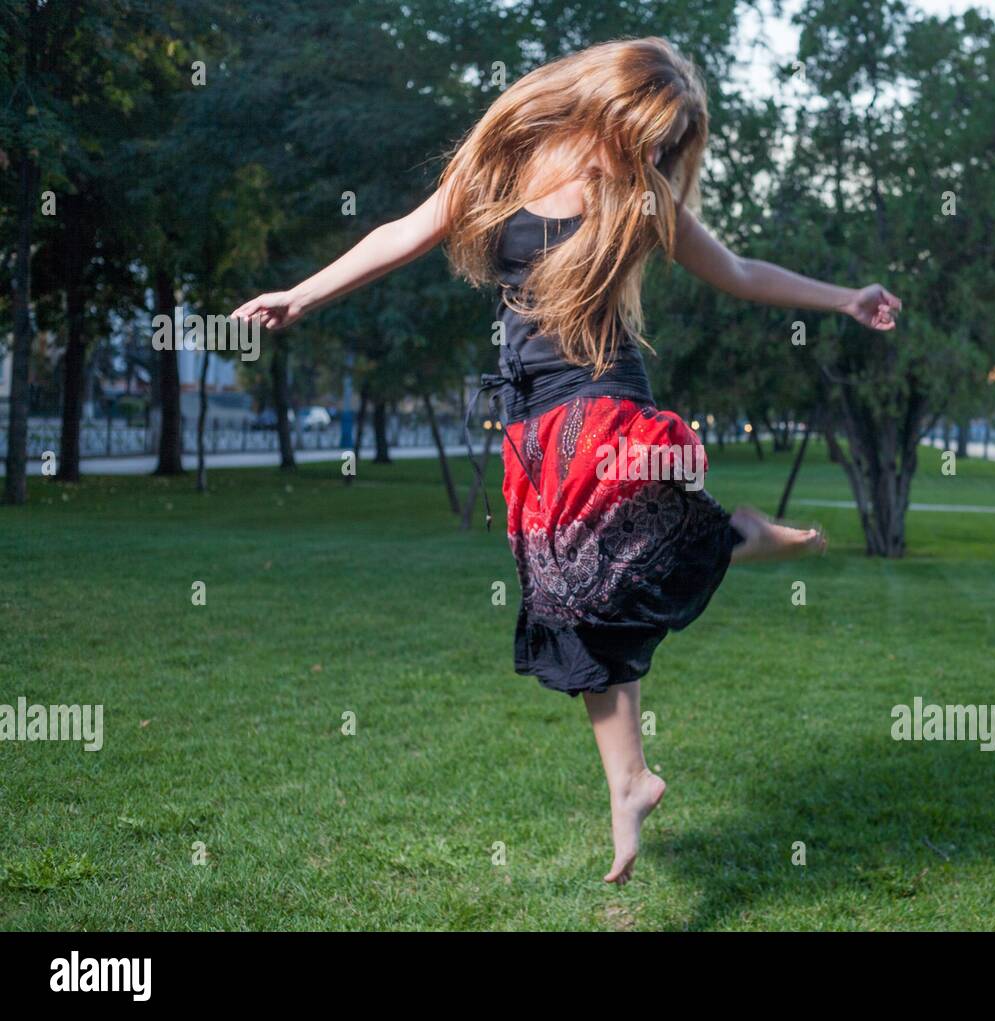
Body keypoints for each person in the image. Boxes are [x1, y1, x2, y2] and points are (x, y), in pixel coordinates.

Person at [233, 37, 900, 884]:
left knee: (597, 548)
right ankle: (630, 782)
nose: (654, 158)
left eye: (666, 148)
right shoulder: (508, 160)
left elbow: (735, 270)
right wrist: (301, 292)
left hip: (602, 391)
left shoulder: (644, 197)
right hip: (531, 412)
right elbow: (401, 232)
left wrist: (844, 297)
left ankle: (725, 534)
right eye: (649, 138)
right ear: (611, 106)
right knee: (567, 596)